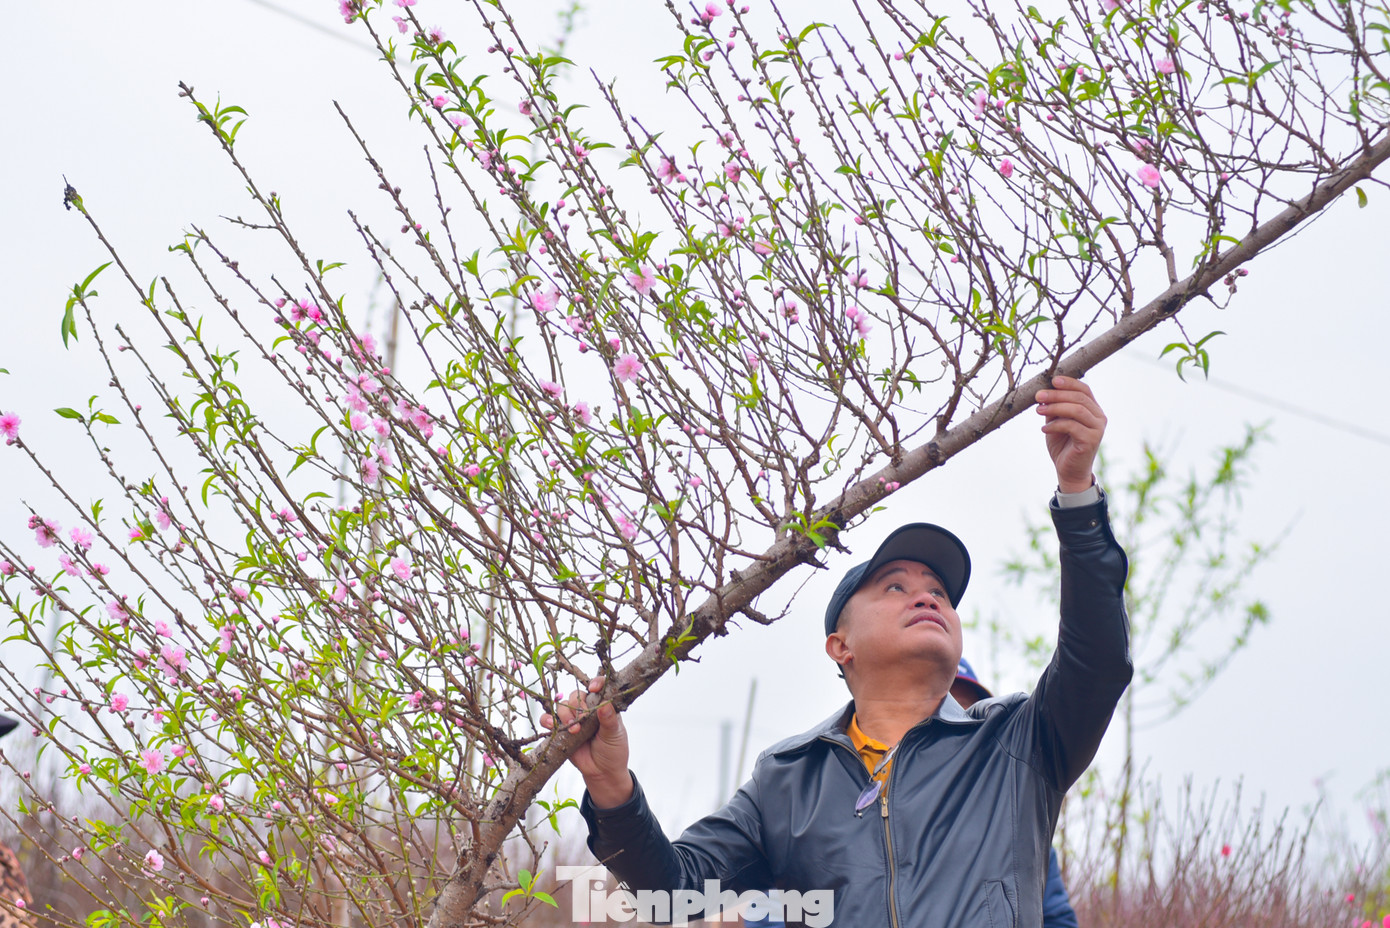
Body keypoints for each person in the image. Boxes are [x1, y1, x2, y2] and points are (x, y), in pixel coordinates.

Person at [545, 376, 1131, 927]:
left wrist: (1077, 494)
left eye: (938, 592)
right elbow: (675, 892)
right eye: (895, 586)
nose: (927, 597)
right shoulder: (787, 780)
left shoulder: (1016, 744)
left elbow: (1096, 661)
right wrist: (612, 787)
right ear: (840, 646)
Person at [952, 659, 1080, 928]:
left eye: (969, 712)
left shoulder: (1020, 830)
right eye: (948, 710)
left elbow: (1058, 920)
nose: (959, 722)